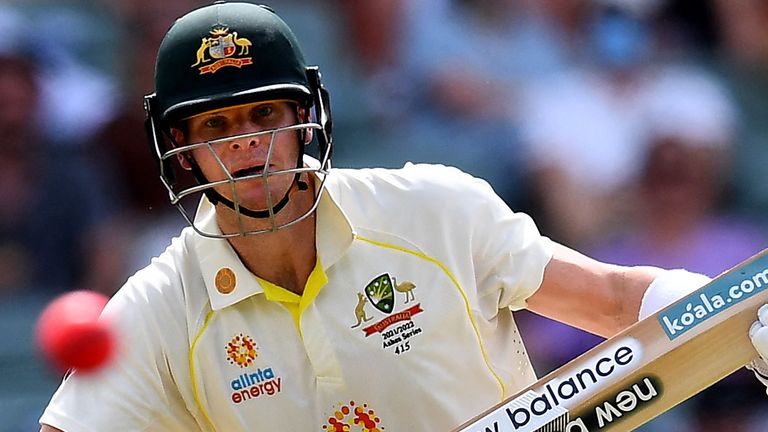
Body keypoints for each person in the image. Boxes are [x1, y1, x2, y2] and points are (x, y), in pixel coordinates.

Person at [38, 2, 768, 431]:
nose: (249, 144)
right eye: (216, 128)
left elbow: (609, 300)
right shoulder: (161, 307)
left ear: (307, 119)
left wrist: (722, 312)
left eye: (265, 114)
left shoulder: (432, 209)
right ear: (182, 152)